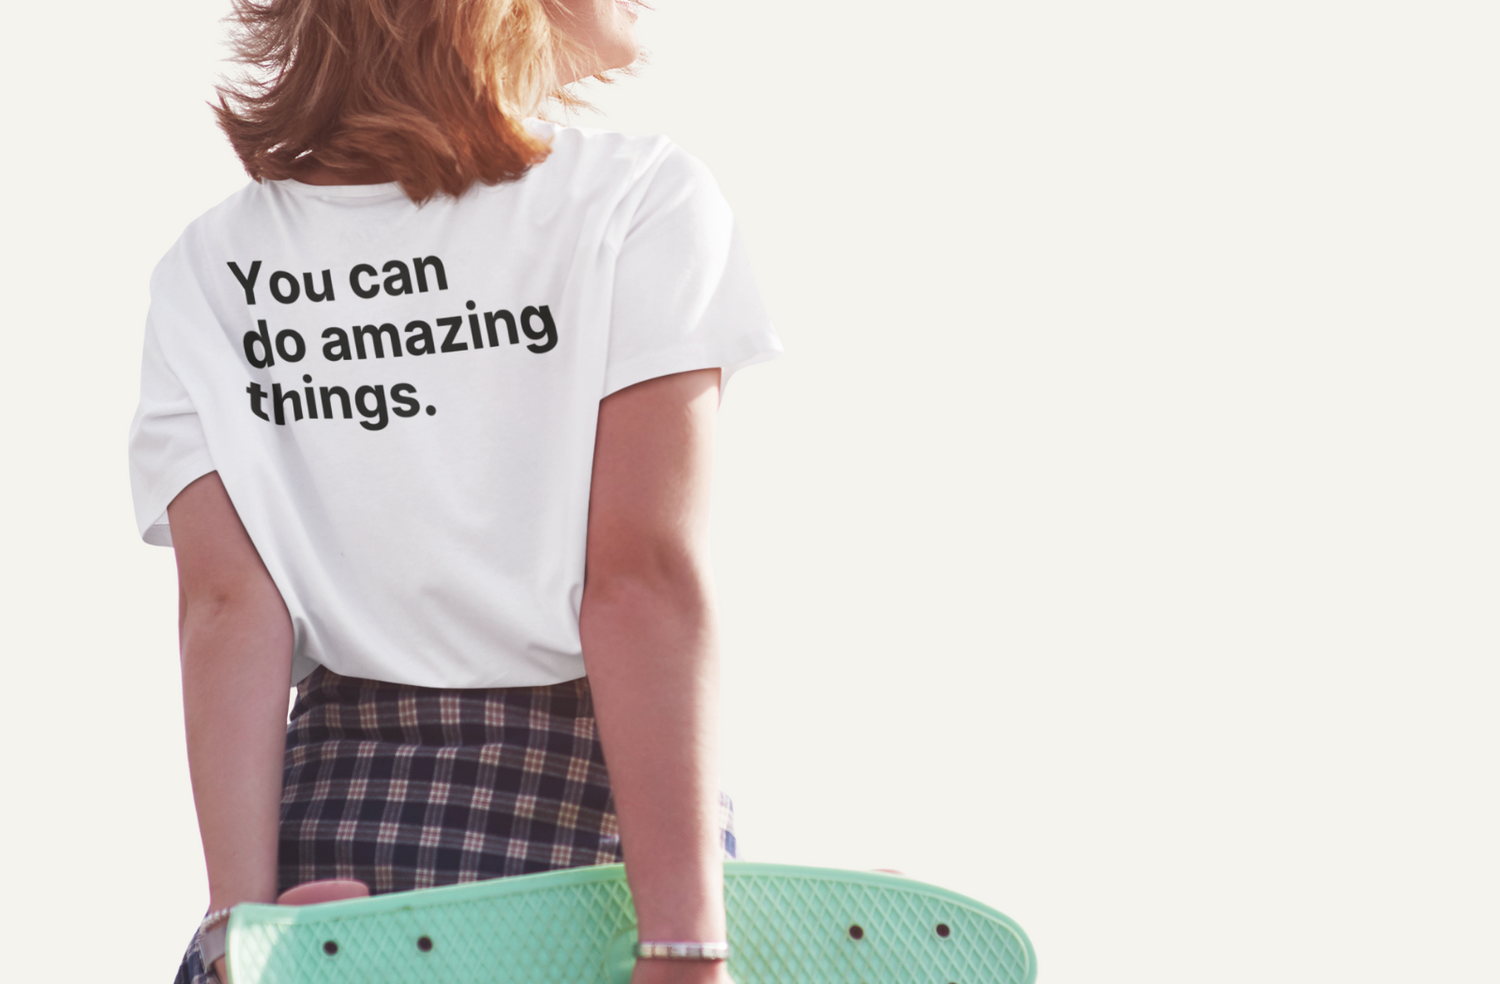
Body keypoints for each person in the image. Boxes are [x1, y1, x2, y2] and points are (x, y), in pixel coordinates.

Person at [127, 1, 781, 982]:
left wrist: (241, 930)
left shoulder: (209, 266)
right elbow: (637, 580)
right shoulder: (636, 199)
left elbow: (227, 609)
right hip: (573, 847)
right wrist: (684, 941)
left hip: (322, 853)